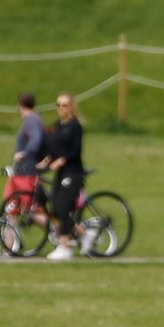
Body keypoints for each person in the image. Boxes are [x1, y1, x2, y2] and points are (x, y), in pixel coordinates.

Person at [41, 93, 95, 260]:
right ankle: (85, 234)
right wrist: (46, 160)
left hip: (73, 172)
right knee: (54, 210)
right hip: (60, 173)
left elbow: (75, 151)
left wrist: (61, 160)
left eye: (65, 105)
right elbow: (52, 148)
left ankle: (64, 247)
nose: (61, 108)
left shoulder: (75, 126)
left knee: (62, 207)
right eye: (58, 105)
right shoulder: (57, 125)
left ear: (71, 107)